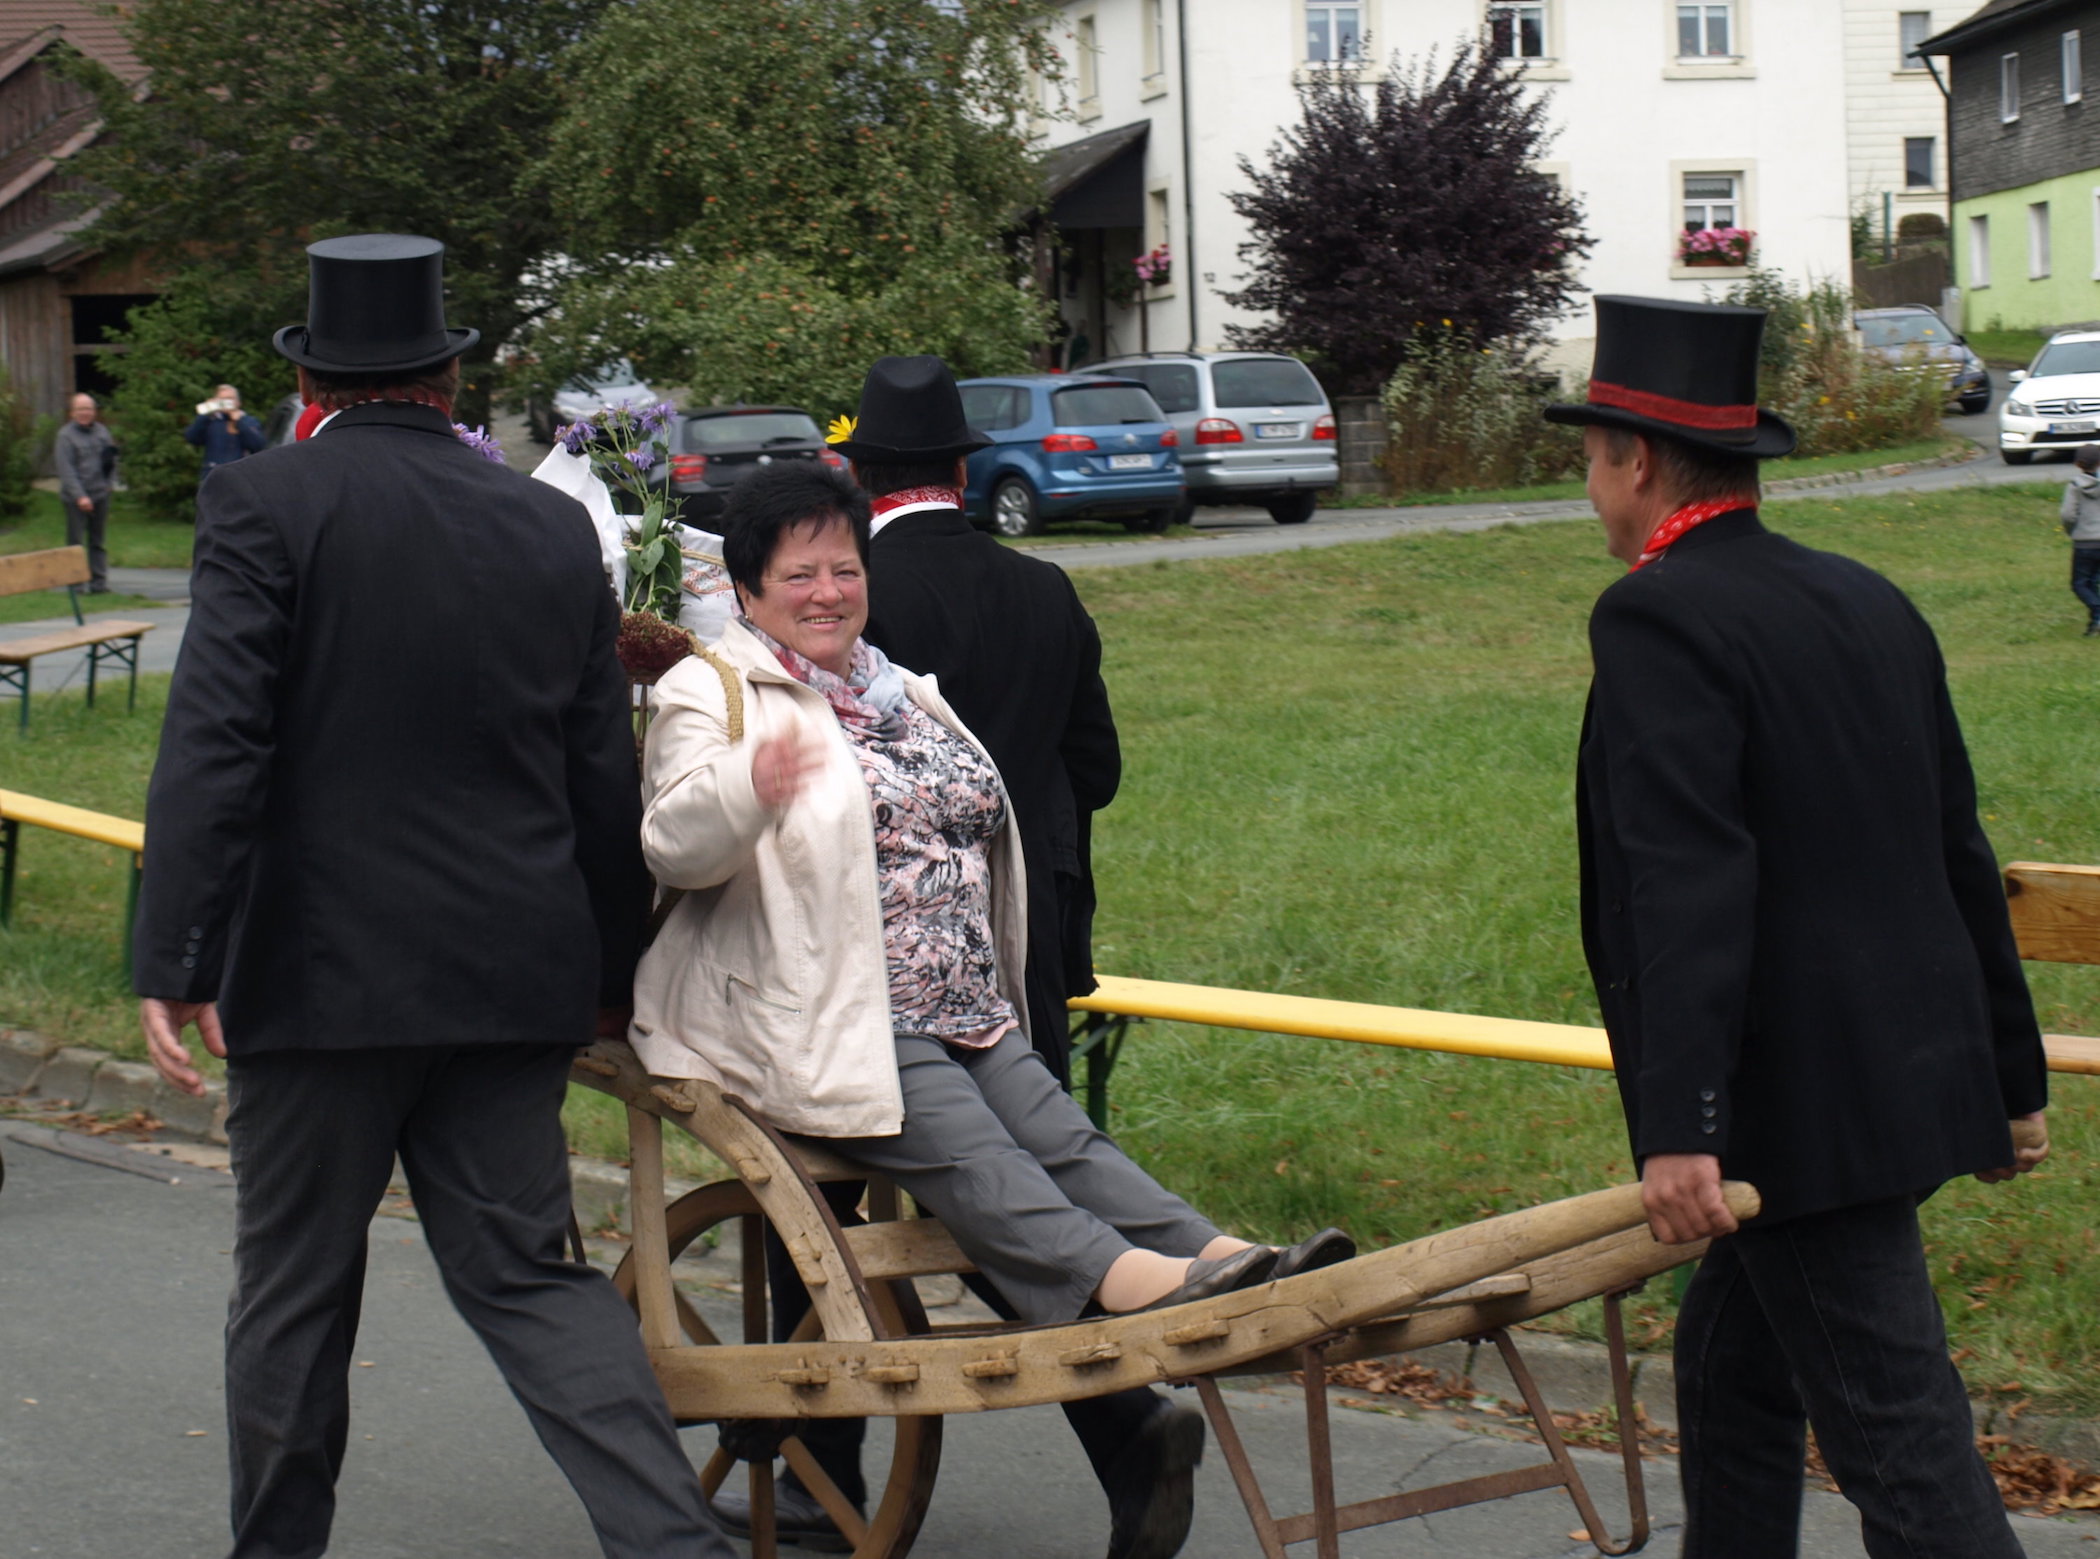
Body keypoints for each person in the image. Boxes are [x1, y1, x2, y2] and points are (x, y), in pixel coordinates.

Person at [133, 233, 737, 1559]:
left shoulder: (263, 502)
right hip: (512, 971)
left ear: (314, 381)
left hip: (318, 979)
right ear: (451, 376)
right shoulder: (547, 525)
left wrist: (176, 951)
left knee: (293, 1292)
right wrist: (609, 974)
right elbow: (599, 771)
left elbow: (217, 740)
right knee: (532, 1278)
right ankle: (673, 1541)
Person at [630, 457, 1350, 1556]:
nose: (828, 592)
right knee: (981, 1159)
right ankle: (1140, 1285)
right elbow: (672, 842)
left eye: (844, 568)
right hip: (826, 1010)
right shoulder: (714, 693)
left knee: (1066, 1137)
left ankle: (1227, 1258)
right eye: (799, 575)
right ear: (746, 589)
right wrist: (751, 781)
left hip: (960, 998)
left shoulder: (900, 688)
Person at [1546, 295, 2051, 1559]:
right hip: (1907, 1079)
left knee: (1902, 1443)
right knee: (1731, 1369)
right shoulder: (1866, 596)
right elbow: (1957, 848)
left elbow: (1687, 880)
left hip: (1802, 1109)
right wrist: (2012, 1074)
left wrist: (1683, 1125)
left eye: (1592, 461)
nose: (1590, 492)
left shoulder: (1656, 614)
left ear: (1638, 461)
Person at [717, 356, 1175, 1559]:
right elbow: (1099, 770)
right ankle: (1126, 1416)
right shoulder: (1045, 587)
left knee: (832, 1212)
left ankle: (823, 1477)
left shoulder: (852, 610)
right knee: (1020, 1180)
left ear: (861, 480)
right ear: (965, 471)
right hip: (1015, 950)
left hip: (863, 966)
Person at [53, 391, 116, 593]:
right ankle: (75, 585)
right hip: (75, 498)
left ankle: (99, 583)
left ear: (94, 411)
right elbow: (66, 470)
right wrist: (80, 496)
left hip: (100, 494)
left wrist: (110, 483)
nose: (85, 413)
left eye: (88, 409)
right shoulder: (65, 436)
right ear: (72, 413)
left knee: (98, 542)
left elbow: (111, 460)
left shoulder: (102, 432)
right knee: (75, 543)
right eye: (80, 409)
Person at [182, 381, 266, 481]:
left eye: (230, 399)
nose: (226, 403)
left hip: (239, 476)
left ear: (238, 402)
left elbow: (258, 446)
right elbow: (191, 438)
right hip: (212, 475)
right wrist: (206, 413)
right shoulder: (211, 421)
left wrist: (239, 422)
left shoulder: (248, 421)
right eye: (222, 400)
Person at [2061, 442, 2100, 636]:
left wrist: (2072, 531)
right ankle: (2095, 622)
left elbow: (2068, 515)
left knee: (2080, 584)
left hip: (2084, 542)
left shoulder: (2075, 486)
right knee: (2094, 581)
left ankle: (2097, 612)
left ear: (2077, 464)